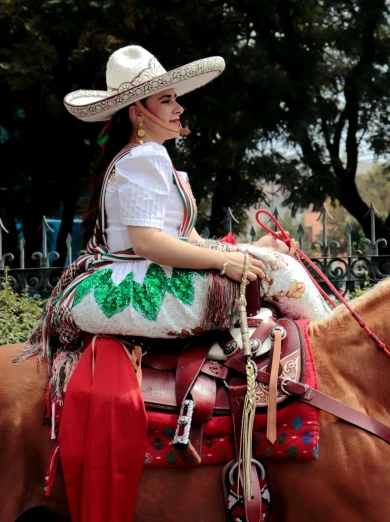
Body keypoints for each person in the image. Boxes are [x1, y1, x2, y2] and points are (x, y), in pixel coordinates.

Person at [22, 45, 330, 522]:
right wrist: (231, 263)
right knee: (280, 274)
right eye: (166, 100)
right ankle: (333, 366)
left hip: (140, 272)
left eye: (173, 98)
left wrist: (252, 250)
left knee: (276, 264)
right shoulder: (145, 157)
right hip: (128, 286)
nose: (179, 107)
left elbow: (183, 239)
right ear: (137, 112)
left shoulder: (146, 156)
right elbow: (149, 243)